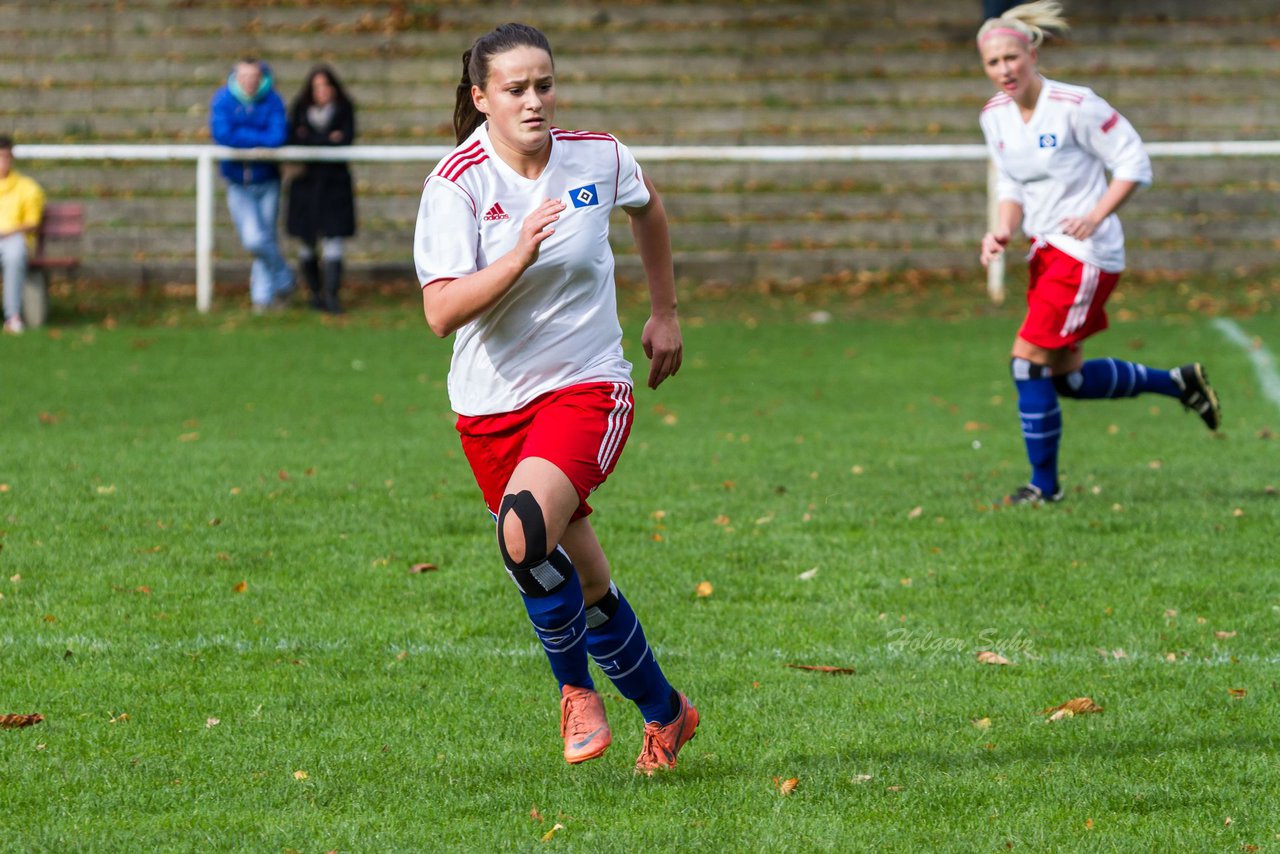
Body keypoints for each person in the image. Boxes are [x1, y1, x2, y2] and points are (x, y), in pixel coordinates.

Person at [413, 23, 697, 774]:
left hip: (588, 384)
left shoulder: (598, 156)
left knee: (522, 531)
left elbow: (650, 212)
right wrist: (518, 255)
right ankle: (668, 714)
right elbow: (441, 312)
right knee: (589, 582)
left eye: (544, 84)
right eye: (515, 89)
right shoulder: (457, 184)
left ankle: (576, 694)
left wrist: (664, 310)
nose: (535, 100)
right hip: (489, 410)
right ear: (481, 99)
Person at [976, 1, 1221, 506]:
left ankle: (1044, 488)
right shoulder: (994, 117)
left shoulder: (1075, 104)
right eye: (992, 62)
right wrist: (1000, 230)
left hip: (1085, 253)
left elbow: (1133, 162)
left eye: (1011, 58)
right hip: (1046, 251)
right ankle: (1178, 383)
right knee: (1069, 379)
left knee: (1027, 364)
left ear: (1032, 52)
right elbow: (1010, 183)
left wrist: (1097, 213)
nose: (1004, 70)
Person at [210, 57, 294, 313]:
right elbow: (223, 134)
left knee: (265, 238)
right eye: (244, 77)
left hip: (267, 180)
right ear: (236, 77)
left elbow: (277, 136)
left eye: (254, 77)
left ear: (261, 78)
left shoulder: (273, 100)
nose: (249, 82)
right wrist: (257, 141)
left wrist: (243, 137)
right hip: (238, 182)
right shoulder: (224, 100)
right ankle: (284, 278)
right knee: (255, 240)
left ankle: (262, 299)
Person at [285, 64, 357, 314]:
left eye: (326, 85)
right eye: (317, 86)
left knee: (333, 241)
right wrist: (327, 139)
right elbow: (295, 139)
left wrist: (312, 138)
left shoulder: (344, 109)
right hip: (305, 187)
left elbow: (346, 139)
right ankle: (314, 293)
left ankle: (332, 296)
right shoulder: (300, 110)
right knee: (306, 243)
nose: (322, 91)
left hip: (334, 187)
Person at [0, 135, 45, 335]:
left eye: (5, 157)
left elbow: (33, 223)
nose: (2, 162)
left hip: (15, 240)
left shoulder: (27, 187)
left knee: (14, 254)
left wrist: (8, 231)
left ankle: (13, 317)